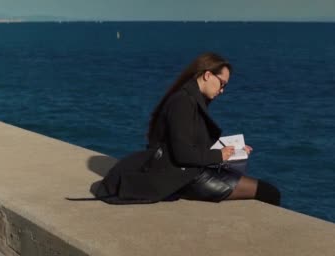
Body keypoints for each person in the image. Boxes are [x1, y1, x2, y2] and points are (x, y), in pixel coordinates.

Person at [96, 52, 280, 206]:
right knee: (269, 192)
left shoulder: (191, 98)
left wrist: (235, 151)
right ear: (207, 75)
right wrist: (220, 155)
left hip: (189, 172)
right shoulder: (183, 102)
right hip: (184, 177)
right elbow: (183, 154)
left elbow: (191, 142)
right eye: (222, 83)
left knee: (263, 189)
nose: (222, 90)